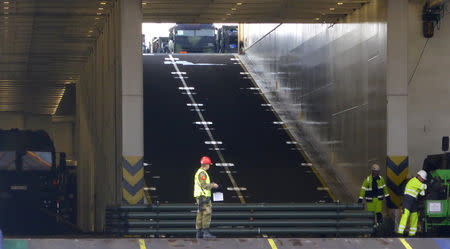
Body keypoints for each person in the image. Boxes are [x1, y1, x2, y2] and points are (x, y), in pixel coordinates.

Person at [194, 156, 219, 239]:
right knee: (207, 212)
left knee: (201, 213)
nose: (209, 166)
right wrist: (213, 185)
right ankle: (206, 232)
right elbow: (204, 185)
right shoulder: (202, 173)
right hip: (203, 196)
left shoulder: (200, 172)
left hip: (201, 196)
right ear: (206, 164)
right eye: (209, 164)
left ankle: (199, 232)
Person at [397, 170, 427, 237]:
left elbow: (422, 193)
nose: (423, 180)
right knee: (405, 215)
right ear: (419, 176)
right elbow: (424, 187)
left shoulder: (418, 183)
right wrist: (431, 184)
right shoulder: (414, 181)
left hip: (413, 200)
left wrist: (422, 191)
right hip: (407, 199)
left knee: (414, 216)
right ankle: (400, 232)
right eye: (422, 179)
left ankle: (412, 234)